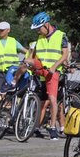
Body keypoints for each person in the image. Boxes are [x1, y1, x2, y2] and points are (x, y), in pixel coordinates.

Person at [28, 12, 70, 140]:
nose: (38, 31)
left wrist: (54, 67)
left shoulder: (61, 36)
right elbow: (33, 56)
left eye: (39, 28)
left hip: (53, 72)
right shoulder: (40, 38)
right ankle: (35, 126)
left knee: (52, 100)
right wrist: (29, 63)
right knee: (41, 102)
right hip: (41, 71)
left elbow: (64, 55)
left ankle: (52, 128)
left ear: (46, 24)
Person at [0, 21, 27, 90]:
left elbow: (26, 52)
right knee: (3, 92)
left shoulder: (13, 41)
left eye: (2, 30)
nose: (0, 31)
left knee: (13, 91)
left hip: (13, 71)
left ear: (8, 30)